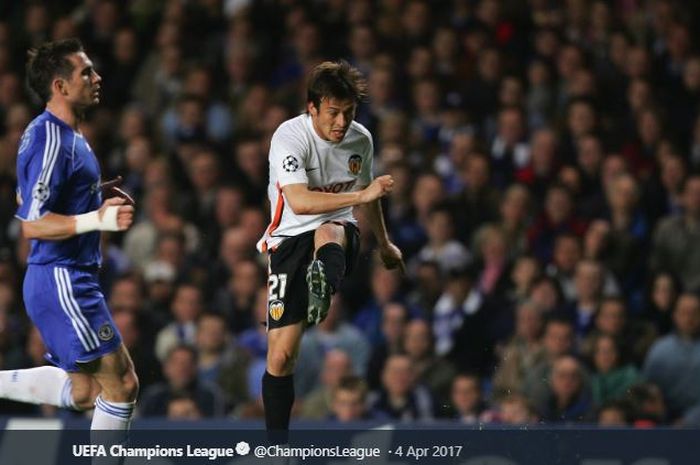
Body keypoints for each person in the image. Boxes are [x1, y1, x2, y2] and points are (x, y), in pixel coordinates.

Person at [256, 60, 404, 434]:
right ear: (313, 108)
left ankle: (323, 279)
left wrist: (385, 245)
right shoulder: (289, 137)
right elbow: (300, 202)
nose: (341, 123)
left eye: (349, 113)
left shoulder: (361, 139)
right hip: (287, 240)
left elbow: (368, 200)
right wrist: (361, 193)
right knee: (281, 356)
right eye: (333, 113)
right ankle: (277, 448)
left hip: (338, 231)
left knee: (331, 229)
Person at [0, 39, 138, 432]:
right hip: (62, 277)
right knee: (122, 384)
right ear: (60, 86)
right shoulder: (50, 138)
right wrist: (96, 218)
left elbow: (30, 193)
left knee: (84, 391)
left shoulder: (65, 134)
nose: (97, 78)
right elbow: (32, 222)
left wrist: (93, 198)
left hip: (65, 276)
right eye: (86, 72)